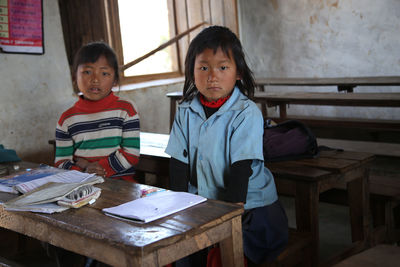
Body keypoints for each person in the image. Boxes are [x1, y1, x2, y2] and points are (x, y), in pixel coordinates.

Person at [165, 26, 288, 266]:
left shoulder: (246, 112)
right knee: (175, 251)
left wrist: (226, 223)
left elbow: (241, 169)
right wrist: (180, 208)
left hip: (249, 207)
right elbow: (178, 162)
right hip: (204, 201)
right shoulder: (185, 110)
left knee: (225, 258)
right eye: (203, 68)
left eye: (223, 67)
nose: (212, 76)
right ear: (192, 72)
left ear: (238, 72)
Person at [54, 41, 140, 182]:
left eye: (104, 73)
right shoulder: (67, 119)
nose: (95, 80)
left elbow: (131, 153)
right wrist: (84, 171)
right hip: (82, 185)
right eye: (87, 72)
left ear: (115, 80)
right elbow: (61, 162)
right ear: (74, 77)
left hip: (121, 185)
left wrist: (98, 167)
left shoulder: (126, 110)